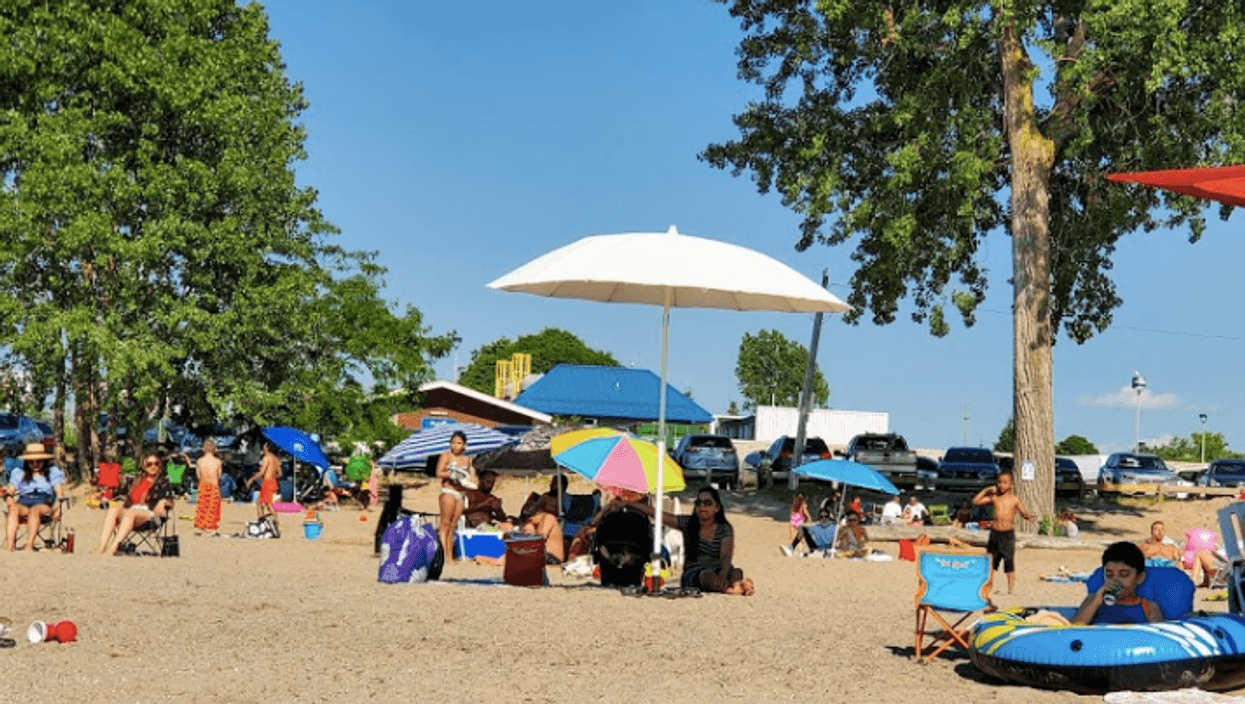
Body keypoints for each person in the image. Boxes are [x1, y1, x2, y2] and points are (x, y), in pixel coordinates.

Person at [625, 486, 754, 596]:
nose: (702, 507)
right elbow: (658, 514)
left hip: (718, 569)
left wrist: (723, 576)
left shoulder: (724, 528)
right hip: (695, 573)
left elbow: (726, 557)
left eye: (707, 503)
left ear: (717, 507)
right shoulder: (688, 523)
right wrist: (629, 503)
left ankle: (737, 584)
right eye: (699, 503)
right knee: (706, 575)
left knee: (736, 571)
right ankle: (732, 589)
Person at [97, 452, 175, 555]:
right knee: (114, 508)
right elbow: (118, 492)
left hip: (149, 515)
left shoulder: (163, 482)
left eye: (156, 463)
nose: (153, 466)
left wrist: (164, 501)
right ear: (144, 465)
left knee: (131, 512)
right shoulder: (136, 480)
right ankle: (101, 548)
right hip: (130, 513)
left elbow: (170, 500)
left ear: (160, 465)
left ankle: (113, 548)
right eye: (149, 464)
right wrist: (100, 495)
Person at [1070, 541, 1163, 625]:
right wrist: (1096, 602)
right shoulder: (1092, 600)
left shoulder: (1148, 606)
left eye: (1124, 574)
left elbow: (1160, 635)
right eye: (1109, 575)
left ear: (1139, 578)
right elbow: (1074, 630)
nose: (1115, 580)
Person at [973, 469, 1034, 595]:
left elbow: (1023, 511)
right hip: (995, 533)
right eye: (999, 482)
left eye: (1005, 482)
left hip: (1007, 535)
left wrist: (1028, 516)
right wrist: (985, 491)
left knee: (1009, 561)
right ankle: (988, 586)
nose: (1001, 485)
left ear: (1011, 484)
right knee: (991, 561)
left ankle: (1010, 589)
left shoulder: (1014, 499)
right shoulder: (994, 498)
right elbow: (976, 502)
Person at [3, 444, 64, 551]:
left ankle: (29, 544)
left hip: (44, 503)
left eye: (39, 461)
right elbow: (10, 489)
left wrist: (58, 507)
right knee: (13, 509)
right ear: (27, 462)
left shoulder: (52, 472)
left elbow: (59, 492)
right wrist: (8, 497)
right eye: (31, 462)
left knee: (34, 510)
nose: (35, 464)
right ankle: (10, 545)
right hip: (25, 501)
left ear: (44, 461)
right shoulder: (19, 472)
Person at [435, 430, 473, 560]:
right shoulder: (446, 456)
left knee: (453, 525)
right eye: (453, 443)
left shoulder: (466, 460)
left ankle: (450, 555)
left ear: (464, 445)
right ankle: (442, 555)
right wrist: (451, 474)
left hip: (460, 493)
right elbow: (439, 472)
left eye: (459, 443)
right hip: (448, 491)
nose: (455, 446)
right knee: (445, 524)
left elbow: (468, 477)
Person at [246, 442, 282, 529]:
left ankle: (275, 521)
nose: (262, 451)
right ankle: (261, 520)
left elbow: (262, 472)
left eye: (263, 449)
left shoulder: (267, 458)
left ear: (267, 449)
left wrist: (252, 479)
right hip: (273, 481)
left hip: (268, 481)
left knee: (268, 504)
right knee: (259, 502)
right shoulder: (276, 459)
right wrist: (273, 476)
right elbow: (280, 474)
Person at [194, 439, 223, 535]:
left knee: (202, 506)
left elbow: (198, 475)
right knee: (213, 507)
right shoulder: (218, 461)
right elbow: (219, 476)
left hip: (203, 484)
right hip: (213, 485)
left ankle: (201, 526)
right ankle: (210, 526)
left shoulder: (199, 461)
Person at [781, 491, 812, 556]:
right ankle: (792, 548)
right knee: (800, 534)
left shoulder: (803, 506)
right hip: (797, 522)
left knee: (801, 534)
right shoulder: (795, 506)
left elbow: (807, 517)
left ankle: (793, 549)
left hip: (800, 523)